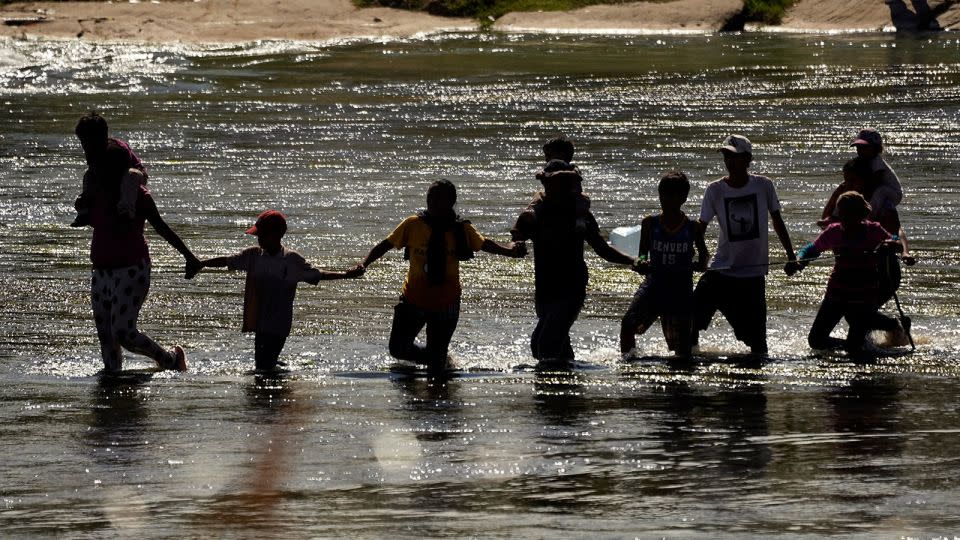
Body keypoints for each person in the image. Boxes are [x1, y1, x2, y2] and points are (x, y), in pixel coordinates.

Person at [358, 179, 526, 373]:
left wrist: (510, 250)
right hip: (413, 299)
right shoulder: (413, 224)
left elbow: (485, 244)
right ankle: (440, 360)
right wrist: (364, 263)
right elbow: (385, 245)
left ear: (451, 201)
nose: (433, 201)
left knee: (435, 369)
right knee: (398, 349)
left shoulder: (461, 229)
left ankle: (438, 367)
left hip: (446, 303)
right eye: (430, 196)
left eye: (439, 198)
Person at [187, 210, 362, 372]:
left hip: (279, 324)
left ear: (276, 235)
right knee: (262, 365)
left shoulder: (291, 260)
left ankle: (275, 387)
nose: (258, 239)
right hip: (261, 322)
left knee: (264, 368)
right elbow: (227, 261)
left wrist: (346, 275)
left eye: (262, 235)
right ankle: (279, 373)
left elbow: (318, 274)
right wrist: (201, 264)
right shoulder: (253, 256)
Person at [512, 162, 638, 366]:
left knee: (546, 344)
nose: (560, 189)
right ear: (546, 185)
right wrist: (516, 245)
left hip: (572, 287)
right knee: (541, 345)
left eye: (565, 184)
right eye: (555, 184)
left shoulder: (581, 215)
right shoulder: (537, 212)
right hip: (545, 287)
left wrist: (633, 261)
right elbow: (518, 235)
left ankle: (553, 392)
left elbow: (602, 249)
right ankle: (570, 385)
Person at [88, 141, 198, 372]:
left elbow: (162, 228)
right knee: (106, 336)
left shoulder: (139, 196)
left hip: (131, 270)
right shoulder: (97, 191)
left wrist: (189, 256)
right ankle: (112, 382)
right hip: (101, 271)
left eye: (107, 169)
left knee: (123, 332)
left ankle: (170, 360)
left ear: (122, 171)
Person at [693, 134, 798, 355]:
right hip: (721, 271)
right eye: (726, 157)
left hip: (753, 275)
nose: (729, 162)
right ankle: (688, 359)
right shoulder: (715, 189)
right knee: (691, 320)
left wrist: (791, 255)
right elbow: (700, 227)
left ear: (747, 159)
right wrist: (699, 256)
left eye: (734, 157)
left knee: (758, 347)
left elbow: (777, 220)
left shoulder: (763, 185)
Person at [794, 192, 909, 355]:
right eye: (842, 215)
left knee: (855, 344)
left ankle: (891, 326)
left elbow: (896, 243)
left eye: (849, 216)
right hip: (836, 293)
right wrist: (799, 261)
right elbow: (812, 249)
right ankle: (857, 345)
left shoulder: (872, 230)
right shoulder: (833, 231)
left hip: (864, 295)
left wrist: (889, 245)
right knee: (816, 340)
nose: (844, 220)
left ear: (860, 215)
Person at [620, 171, 708, 359]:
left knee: (682, 348)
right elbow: (643, 253)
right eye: (664, 195)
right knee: (628, 324)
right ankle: (628, 365)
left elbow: (704, 255)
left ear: (683, 198)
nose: (667, 200)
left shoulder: (692, 227)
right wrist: (641, 262)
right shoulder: (650, 223)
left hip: (681, 290)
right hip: (654, 285)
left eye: (673, 195)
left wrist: (700, 265)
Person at [72, 112, 148, 227]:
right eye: (83, 142)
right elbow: (94, 171)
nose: (85, 146)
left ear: (102, 137)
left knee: (130, 175)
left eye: (88, 142)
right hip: (109, 174)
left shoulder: (118, 149)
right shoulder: (91, 151)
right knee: (88, 175)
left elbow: (122, 170)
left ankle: (126, 211)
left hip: (135, 174)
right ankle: (84, 211)